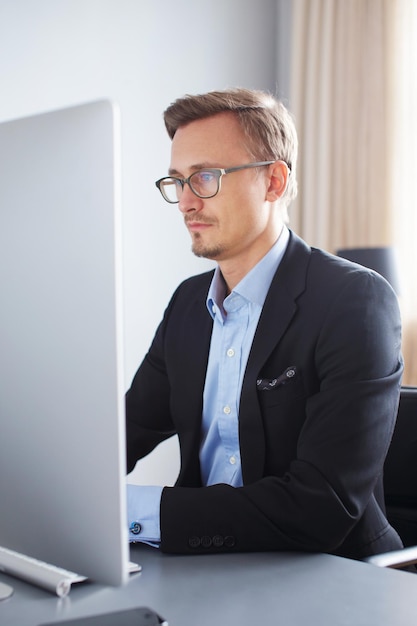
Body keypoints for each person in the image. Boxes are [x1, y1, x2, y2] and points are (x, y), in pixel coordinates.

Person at [125, 87, 403, 560]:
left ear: (274, 181)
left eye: (205, 177)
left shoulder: (355, 301)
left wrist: (134, 510)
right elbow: (124, 432)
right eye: (177, 181)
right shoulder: (188, 304)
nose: (187, 203)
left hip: (331, 577)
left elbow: (322, 506)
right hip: (202, 568)